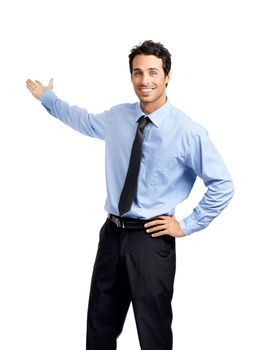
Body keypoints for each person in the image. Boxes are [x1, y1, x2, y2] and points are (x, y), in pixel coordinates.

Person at [26, 40, 234, 350]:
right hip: (111, 234)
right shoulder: (118, 118)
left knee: (153, 330)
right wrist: (49, 98)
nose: (145, 81)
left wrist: (187, 225)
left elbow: (223, 184)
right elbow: (81, 119)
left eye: (153, 72)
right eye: (138, 73)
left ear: (167, 76)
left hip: (151, 240)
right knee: (99, 324)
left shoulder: (188, 132)